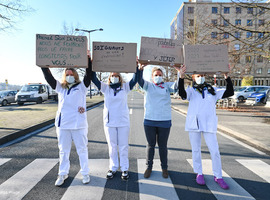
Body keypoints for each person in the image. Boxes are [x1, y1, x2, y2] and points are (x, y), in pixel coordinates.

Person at [175, 65, 234, 190]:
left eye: (202, 76)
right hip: (194, 124)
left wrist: (227, 77)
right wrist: (181, 77)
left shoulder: (213, 90)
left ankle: (218, 176)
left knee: (215, 151)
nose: (200, 78)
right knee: (196, 149)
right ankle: (199, 173)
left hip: (209, 124)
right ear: (193, 77)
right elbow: (181, 93)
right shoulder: (190, 91)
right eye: (198, 76)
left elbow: (230, 92)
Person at [41, 58, 92, 186]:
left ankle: (85, 173)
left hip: (78, 124)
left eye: (71, 74)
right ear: (65, 76)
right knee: (63, 150)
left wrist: (88, 59)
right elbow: (49, 78)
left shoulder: (82, 86)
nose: (69, 76)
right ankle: (63, 173)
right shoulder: (60, 87)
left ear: (75, 75)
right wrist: (43, 65)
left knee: (82, 149)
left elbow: (89, 74)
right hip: (63, 124)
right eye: (67, 74)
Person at [91, 65, 139, 180]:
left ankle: (124, 168)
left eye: (117, 75)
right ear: (109, 77)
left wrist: (136, 66)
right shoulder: (105, 88)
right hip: (109, 122)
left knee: (123, 146)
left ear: (120, 77)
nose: (115, 77)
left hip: (123, 122)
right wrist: (91, 63)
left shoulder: (125, 87)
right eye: (113, 75)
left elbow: (135, 79)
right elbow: (94, 79)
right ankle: (113, 167)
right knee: (112, 146)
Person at [137, 65, 177, 179]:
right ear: (152, 76)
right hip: (150, 121)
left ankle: (164, 168)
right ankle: (149, 167)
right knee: (150, 145)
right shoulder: (148, 86)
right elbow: (139, 80)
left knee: (163, 146)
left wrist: (181, 74)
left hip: (164, 121)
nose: (158, 77)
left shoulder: (167, 86)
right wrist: (140, 69)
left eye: (160, 75)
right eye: (156, 75)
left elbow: (178, 85)